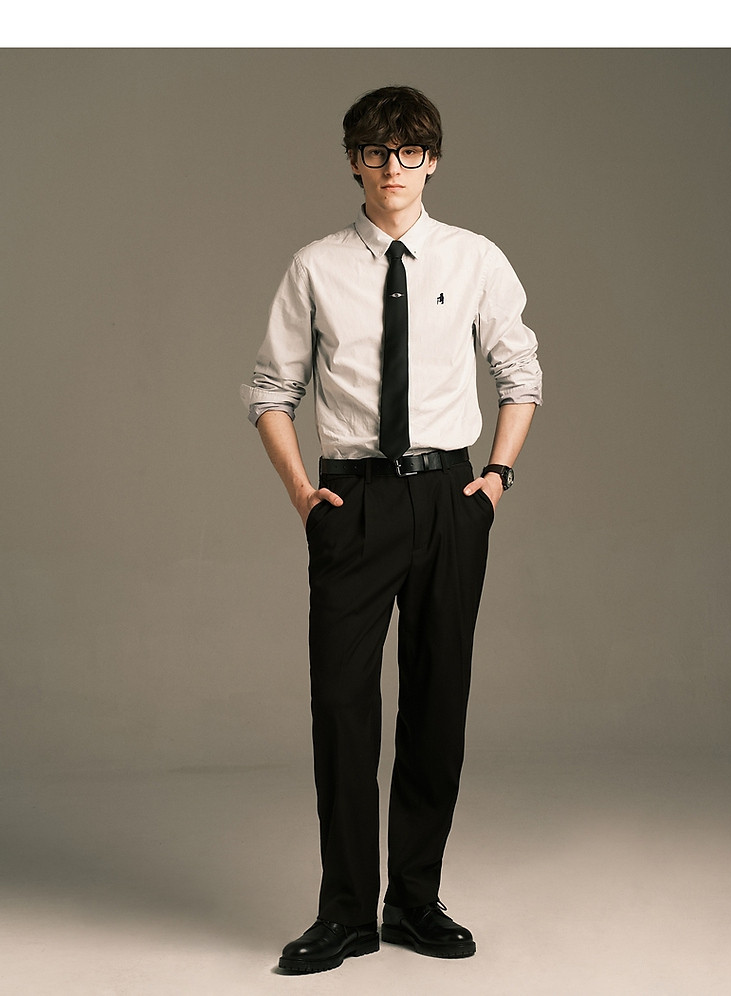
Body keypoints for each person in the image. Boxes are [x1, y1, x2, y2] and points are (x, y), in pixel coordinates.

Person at [240, 85, 542, 975]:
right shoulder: (315, 266)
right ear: (354, 162)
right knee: (341, 707)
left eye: (409, 152)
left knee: (437, 699)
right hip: (353, 503)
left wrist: (495, 480)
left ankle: (413, 900)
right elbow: (270, 390)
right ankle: (345, 914)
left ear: (432, 160)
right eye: (375, 152)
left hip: (450, 497)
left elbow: (520, 372)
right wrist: (303, 494)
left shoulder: (474, 257)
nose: (393, 168)